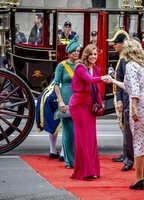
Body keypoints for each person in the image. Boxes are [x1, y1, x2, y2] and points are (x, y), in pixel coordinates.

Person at [105, 38, 144, 190]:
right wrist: (113, 81)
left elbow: (133, 89)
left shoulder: (132, 66)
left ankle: (140, 178)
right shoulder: (141, 65)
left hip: (139, 106)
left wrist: (133, 107)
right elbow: (128, 86)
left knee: (139, 143)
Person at [69, 44, 106, 180]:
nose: (94, 56)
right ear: (86, 55)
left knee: (91, 139)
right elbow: (90, 80)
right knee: (83, 139)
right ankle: (84, 172)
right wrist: (103, 78)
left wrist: (100, 104)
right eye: (91, 54)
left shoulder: (95, 68)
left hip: (89, 106)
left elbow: (95, 89)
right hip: (78, 106)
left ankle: (92, 170)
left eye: (95, 54)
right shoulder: (80, 68)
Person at [107, 30, 134, 171]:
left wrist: (120, 100)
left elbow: (122, 81)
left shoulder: (126, 60)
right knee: (126, 128)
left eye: (116, 43)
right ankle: (127, 155)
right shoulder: (123, 59)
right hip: (125, 96)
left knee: (129, 129)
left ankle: (129, 158)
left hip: (128, 97)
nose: (113, 46)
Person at [54, 35, 81, 168]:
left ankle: (77, 160)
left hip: (79, 100)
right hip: (65, 99)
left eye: (78, 51)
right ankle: (69, 161)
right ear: (69, 52)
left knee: (77, 131)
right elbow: (56, 85)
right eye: (74, 51)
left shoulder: (80, 65)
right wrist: (61, 102)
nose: (76, 53)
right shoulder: (62, 65)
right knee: (68, 131)